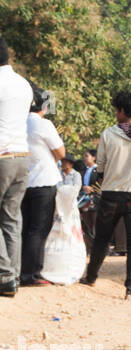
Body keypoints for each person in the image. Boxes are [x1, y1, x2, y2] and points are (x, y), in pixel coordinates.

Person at [81, 90, 131, 299]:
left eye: (117, 110)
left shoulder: (108, 134)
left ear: (123, 110)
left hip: (111, 195)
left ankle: (90, 277)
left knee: (102, 239)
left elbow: (101, 167)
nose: (116, 114)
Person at [21, 89, 65, 287]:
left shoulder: (19, 121)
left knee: (24, 228)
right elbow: (61, 152)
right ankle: (32, 274)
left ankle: (20, 271)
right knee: (38, 229)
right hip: (43, 182)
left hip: (23, 182)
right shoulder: (43, 123)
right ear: (44, 106)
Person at [0, 37, 32, 298]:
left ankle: (4, 275)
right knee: (11, 218)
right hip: (22, 156)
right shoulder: (23, 84)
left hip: (0, 157)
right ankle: (14, 276)